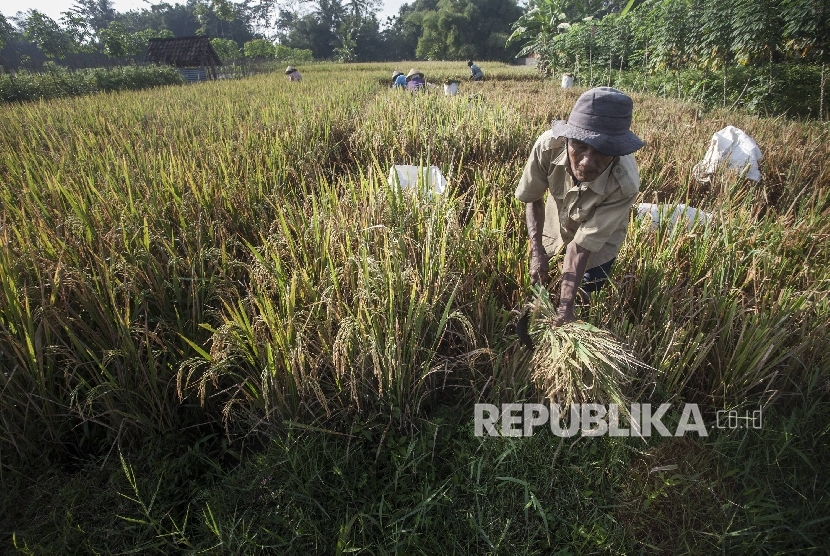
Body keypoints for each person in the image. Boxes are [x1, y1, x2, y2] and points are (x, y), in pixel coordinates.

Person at [514, 87, 644, 326]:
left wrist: (566, 307)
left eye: (602, 152)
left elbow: (583, 247)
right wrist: (536, 251)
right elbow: (533, 197)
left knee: (588, 285)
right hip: (560, 215)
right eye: (580, 146)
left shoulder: (624, 184)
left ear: (616, 151)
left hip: (599, 238)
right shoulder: (547, 147)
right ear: (567, 138)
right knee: (544, 266)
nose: (586, 162)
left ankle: (574, 316)